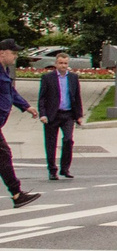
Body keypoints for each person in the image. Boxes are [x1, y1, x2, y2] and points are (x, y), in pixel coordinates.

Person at [37, 49, 82, 181]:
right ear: (56, 64)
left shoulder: (73, 78)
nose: (63, 66)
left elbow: (77, 97)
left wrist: (79, 115)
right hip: (52, 115)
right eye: (61, 63)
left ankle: (65, 168)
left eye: (65, 63)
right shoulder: (47, 78)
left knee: (68, 140)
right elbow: (42, 98)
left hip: (68, 114)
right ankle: (52, 170)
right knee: (51, 143)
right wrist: (43, 114)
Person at [0, 40, 35, 207]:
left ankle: (16, 194)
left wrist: (26, 106)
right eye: (13, 53)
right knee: (3, 156)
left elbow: (11, 92)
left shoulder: (4, 71)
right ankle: (16, 194)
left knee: (3, 156)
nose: (15, 56)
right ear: (2, 53)